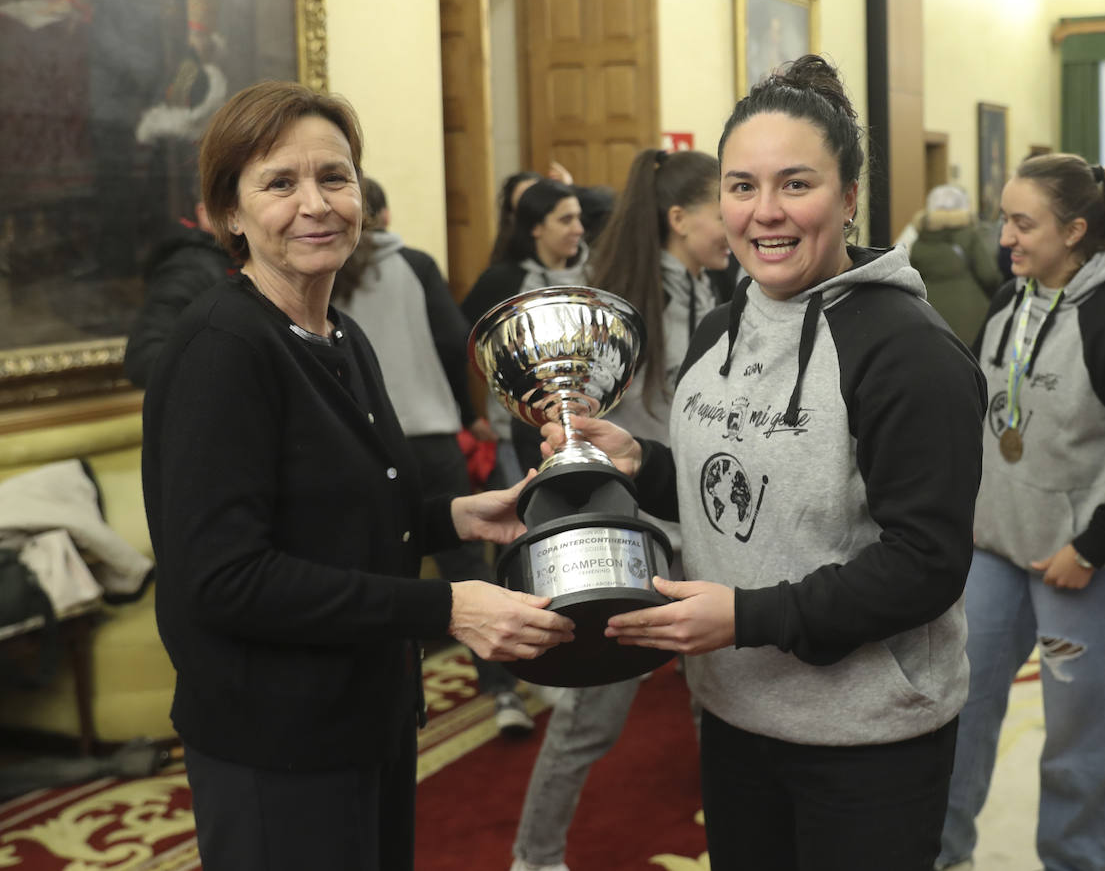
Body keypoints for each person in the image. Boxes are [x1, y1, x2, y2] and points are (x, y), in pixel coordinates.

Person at [541, 55, 987, 870]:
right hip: (735, 714)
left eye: (796, 184)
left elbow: (928, 564)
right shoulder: (722, 330)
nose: (764, 213)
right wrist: (640, 461)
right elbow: (742, 497)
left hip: (867, 738)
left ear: (850, 197)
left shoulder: (909, 353)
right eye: (742, 187)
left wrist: (747, 617)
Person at [140, 80, 574, 871]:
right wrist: (444, 604)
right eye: (280, 183)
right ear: (229, 215)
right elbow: (225, 578)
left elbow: (350, 511)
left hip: (361, 713)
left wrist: (459, 517)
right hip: (274, 742)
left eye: (334, 178)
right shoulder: (222, 351)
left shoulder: (337, 333)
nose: (316, 204)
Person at [936, 155, 1105, 871]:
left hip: (1079, 562)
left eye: (1023, 223)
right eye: (1004, 220)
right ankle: (939, 853)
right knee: (957, 712)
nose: (1005, 237)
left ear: (1075, 231)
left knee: (1083, 740)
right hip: (993, 549)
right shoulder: (1011, 300)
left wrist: (1093, 547)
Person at [509, 148, 728, 871]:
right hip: (636, 539)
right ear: (678, 217)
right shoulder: (621, 311)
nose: (737, 220)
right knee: (585, 722)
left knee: (721, 708)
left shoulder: (723, 292)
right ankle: (534, 859)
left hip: (711, 530)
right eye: (722, 204)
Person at [332, 177, 533, 736]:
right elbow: (455, 341)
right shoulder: (413, 264)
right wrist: (467, 411)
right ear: (386, 212)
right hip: (430, 434)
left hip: (360, 442)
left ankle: (384, 703)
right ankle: (503, 695)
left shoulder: (323, 274)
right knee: (466, 568)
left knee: (367, 568)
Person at [462, 178, 589, 485]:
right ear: (535, 228)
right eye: (565, 219)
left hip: (585, 430)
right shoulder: (502, 282)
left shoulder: (592, 276)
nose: (579, 229)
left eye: (579, 218)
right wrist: (467, 414)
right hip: (518, 435)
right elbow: (458, 344)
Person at [124, 200, 237, 388]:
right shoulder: (191, 268)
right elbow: (144, 356)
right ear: (204, 212)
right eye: (231, 208)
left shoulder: (236, 262)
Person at [903, 183, 1002, 348]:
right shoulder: (970, 235)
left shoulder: (919, 241)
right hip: (972, 316)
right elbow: (988, 275)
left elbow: (910, 279)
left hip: (930, 317)